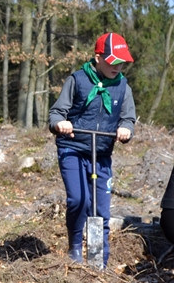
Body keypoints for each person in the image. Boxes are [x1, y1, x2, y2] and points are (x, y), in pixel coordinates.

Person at [48, 32, 136, 266]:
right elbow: (56, 113)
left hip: (102, 153)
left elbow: (129, 118)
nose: (118, 66)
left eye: (122, 61)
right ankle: (75, 248)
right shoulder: (77, 80)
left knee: (100, 209)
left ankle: (98, 260)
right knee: (79, 200)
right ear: (98, 57)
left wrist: (125, 129)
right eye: (113, 60)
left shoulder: (122, 87)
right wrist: (60, 123)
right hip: (73, 148)